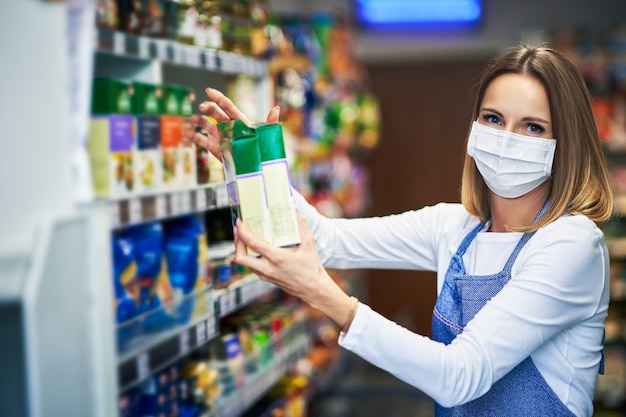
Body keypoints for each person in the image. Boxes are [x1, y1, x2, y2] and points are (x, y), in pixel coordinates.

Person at [184, 44, 613, 417]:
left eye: (532, 127)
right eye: (493, 119)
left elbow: (459, 376)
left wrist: (324, 295)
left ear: (566, 142)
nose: (506, 138)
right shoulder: (453, 227)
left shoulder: (572, 243)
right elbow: (331, 240)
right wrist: (254, 164)